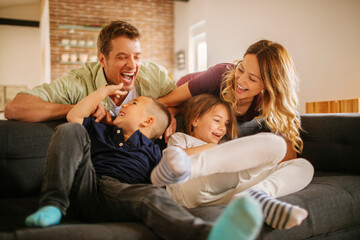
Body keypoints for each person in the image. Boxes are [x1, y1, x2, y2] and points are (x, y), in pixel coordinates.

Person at [24, 85, 263, 240]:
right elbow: (74, 117)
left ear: (148, 121)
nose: (124, 105)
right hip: (84, 184)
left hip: (120, 195)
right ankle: (53, 204)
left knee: (153, 196)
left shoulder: (156, 148)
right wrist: (105, 91)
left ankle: (209, 235)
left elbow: (177, 163)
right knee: (68, 130)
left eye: (133, 104)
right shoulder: (100, 130)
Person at [151, 94, 314, 230]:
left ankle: (256, 195)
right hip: (187, 185)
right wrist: (210, 147)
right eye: (217, 120)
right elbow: (174, 156)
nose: (222, 128)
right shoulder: (182, 137)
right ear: (195, 120)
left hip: (220, 195)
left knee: (304, 166)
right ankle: (191, 167)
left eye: (226, 124)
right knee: (275, 145)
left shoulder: (226, 148)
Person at [4, 20, 176, 123]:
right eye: (122, 57)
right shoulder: (80, 81)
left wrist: (170, 115)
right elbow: (15, 108)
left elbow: (185, 101)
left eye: (137, 56)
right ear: (102, 59)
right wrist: (83, 108)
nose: (133, 65)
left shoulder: (155, 74)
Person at [158, 40, 302, 160]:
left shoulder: (267, 101)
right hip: (190, 96)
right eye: (240, 69)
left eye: (252, 78)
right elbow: (164, 101)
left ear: (269, 85)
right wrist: (168, 112)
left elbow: (289, 156)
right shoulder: (218, 75)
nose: (240, 80)